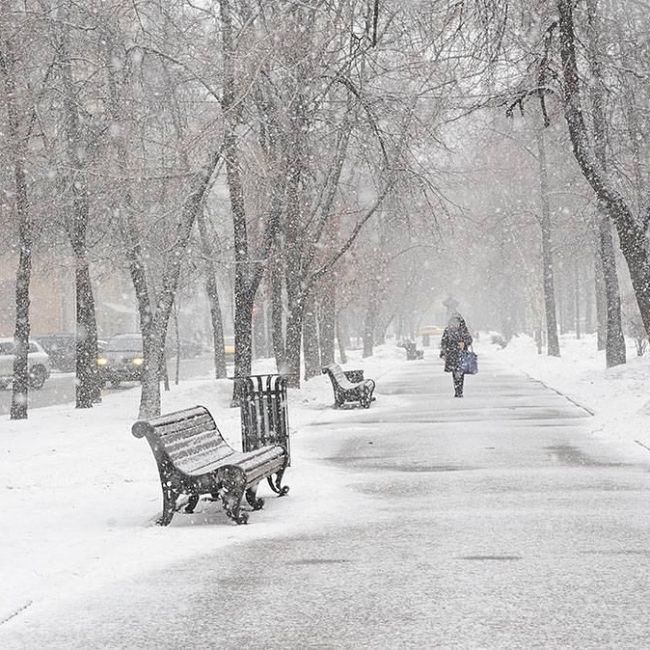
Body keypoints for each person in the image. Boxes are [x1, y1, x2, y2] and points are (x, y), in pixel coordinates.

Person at [440, 313, 473, 397]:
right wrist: (443, 352)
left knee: (460, 372)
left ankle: (459, 390)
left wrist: (464, 343)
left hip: (461, 354)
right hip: (452, 354)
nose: (455, 323)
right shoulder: (448, 330)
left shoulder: (463, 330)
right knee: (455, 372)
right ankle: (457, 389)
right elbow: (443, 342)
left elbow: (469, 340)